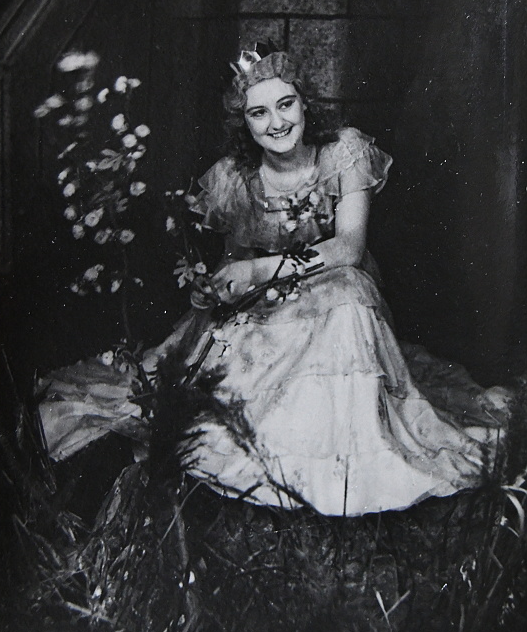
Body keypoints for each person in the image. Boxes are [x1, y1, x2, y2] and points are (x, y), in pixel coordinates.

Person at [142, 41, 508, 517]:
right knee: (224, 386)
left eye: (286, 104)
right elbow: (237, 258)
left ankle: (343, 462)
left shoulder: (342, 153)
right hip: (270, 302)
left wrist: (257, 270)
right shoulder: (237, 178)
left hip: (333, 288)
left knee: (348, 300)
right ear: (243, 123)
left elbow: (349, 248)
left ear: (304, 102)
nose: (276, 122)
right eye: (258, 113)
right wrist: (217, 284)